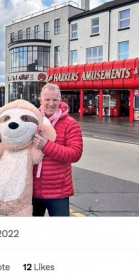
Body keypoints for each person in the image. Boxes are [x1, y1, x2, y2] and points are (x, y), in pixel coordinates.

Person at [32, 83, 83, 216]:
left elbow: (75, 154)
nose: (51, 103)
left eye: (55, 100)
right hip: (31, 189)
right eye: (47, 99)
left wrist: (47, 146)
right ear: (40, 100)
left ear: (60, 101)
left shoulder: (70, 124)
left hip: (58, 192)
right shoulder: (31, 121)